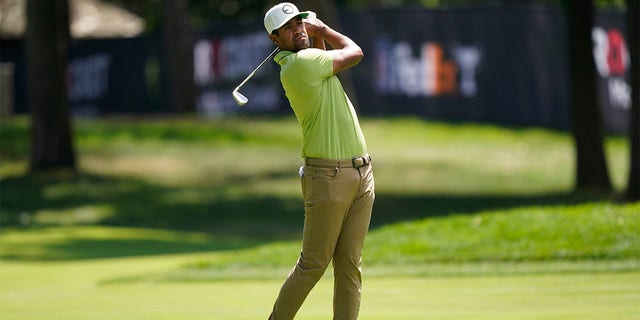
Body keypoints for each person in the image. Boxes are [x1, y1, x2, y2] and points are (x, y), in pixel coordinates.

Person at [263, 3, 375, 320]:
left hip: (361, 173)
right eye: (289, 27)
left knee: (350, 264)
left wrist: (314, 36)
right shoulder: (300, 64)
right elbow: (355, 52)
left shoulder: (312, 61)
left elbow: (326, 59)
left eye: (300, 23)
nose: (298, 29)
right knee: (313, 264)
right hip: (329, 177)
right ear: (275, 39)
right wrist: (321, 29)